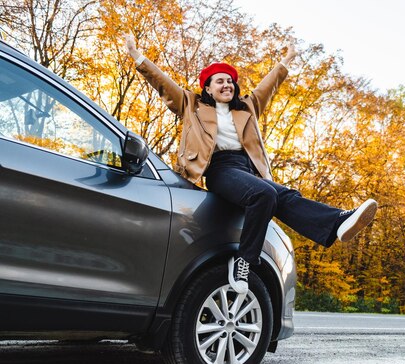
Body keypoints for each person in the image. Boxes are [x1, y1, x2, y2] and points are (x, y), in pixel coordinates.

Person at [123, 34, 377, 293]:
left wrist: (287, 60)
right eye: (219, 81)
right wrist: (136, 55)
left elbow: (271, 84)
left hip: (247, 169)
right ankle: (244, 260)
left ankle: (337, 222)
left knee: (284, 196)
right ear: (207, 88)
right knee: (265, 193)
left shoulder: (247, 106)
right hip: (219, 168)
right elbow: (162, 83)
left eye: (230, 81)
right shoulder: (191, 104)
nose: (227, 85)